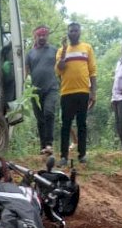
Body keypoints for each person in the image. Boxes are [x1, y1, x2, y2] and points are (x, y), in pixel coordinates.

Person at [55, 22, 97, 167]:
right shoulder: (61, 50)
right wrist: (64, 53)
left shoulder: (87, 48)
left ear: (80, 32)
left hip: (83, 92)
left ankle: (82, 154)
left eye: (76, 31)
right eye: (71, 31)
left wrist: (93, 92)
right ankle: (64, 157)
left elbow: (92, 71)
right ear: (68, 33)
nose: (73, 33)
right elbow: (59, 70)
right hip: (66, 92)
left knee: (82, 124)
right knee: (65, 125)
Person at [25, 25, 59, 154]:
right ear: (35, 36)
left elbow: (62, 67)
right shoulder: (30, 53)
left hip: (51, 88)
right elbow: (26, 71)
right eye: (39, 35)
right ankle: (43, 146)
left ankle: (49, 144)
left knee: (49, 112)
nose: (42, 37)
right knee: (40, 119)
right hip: (35, 91)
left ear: (47, 36)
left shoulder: (54, 51)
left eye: (44, 35)